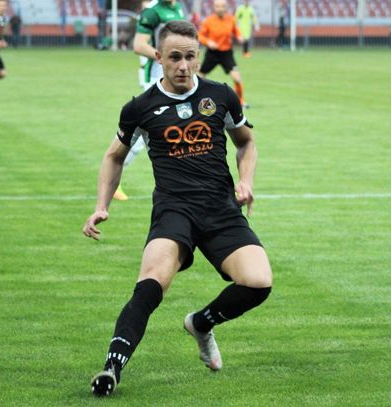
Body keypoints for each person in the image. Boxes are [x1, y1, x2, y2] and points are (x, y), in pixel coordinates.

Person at [83, 20, 272, 397]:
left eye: (190, 57)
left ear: (199, 57)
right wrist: (101, 205)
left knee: (258, 281)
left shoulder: (220, 96)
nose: (183, 66)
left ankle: (201, 323)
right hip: (174, 210)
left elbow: (246, 143)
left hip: (220, 208)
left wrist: (246, 180)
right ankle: (111, 368)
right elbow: (114, 156)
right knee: (150, 283)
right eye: (174, 58)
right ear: (158, 57)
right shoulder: (140, 107)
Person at [112, 0, 186, 201]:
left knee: (189, 127)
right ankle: (113, 178)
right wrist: (166, 57)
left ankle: (207, 182)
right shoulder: (153, 12)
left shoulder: (178, 8)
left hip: (179, 78)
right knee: (141, 133)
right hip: (157, 79)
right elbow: (139, 45)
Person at [198, 0, 248, 108]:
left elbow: (236, 31)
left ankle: (240, 101)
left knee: (237, 78)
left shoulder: (231, 19)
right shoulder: (209, 21)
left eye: (222, 6)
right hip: (212, 53)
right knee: (200, 76)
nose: (220, 8)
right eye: (217, 6)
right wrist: (208, 42)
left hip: (226, 53)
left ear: (226, 7)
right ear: (214, 7)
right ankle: (196, 99)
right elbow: (200, 35)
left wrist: (239, 37)